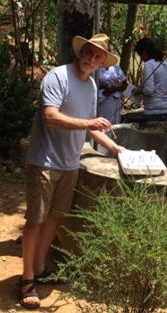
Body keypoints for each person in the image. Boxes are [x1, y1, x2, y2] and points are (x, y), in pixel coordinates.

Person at [20, 33, 125, 309]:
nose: (91, 58)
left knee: (56, 218)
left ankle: (40, 267)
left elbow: (91, 126)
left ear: (103, 62)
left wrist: (116, 149)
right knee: (36, 220)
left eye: (98, 56)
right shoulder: (57, 77)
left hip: (69, 163)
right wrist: (88, 123)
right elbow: (50, 117)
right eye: (88, 52)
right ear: (81, 51)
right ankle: (26, 279)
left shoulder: (91, 86)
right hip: (44, 161)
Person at [134, 37, 167, 122]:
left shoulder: (149, 64)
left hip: (153, 110)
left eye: (140, 55)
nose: (141, 58)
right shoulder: (166, 64)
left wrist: (139, 91)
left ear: (144, 53)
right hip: (166, 109)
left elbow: (149, 90)